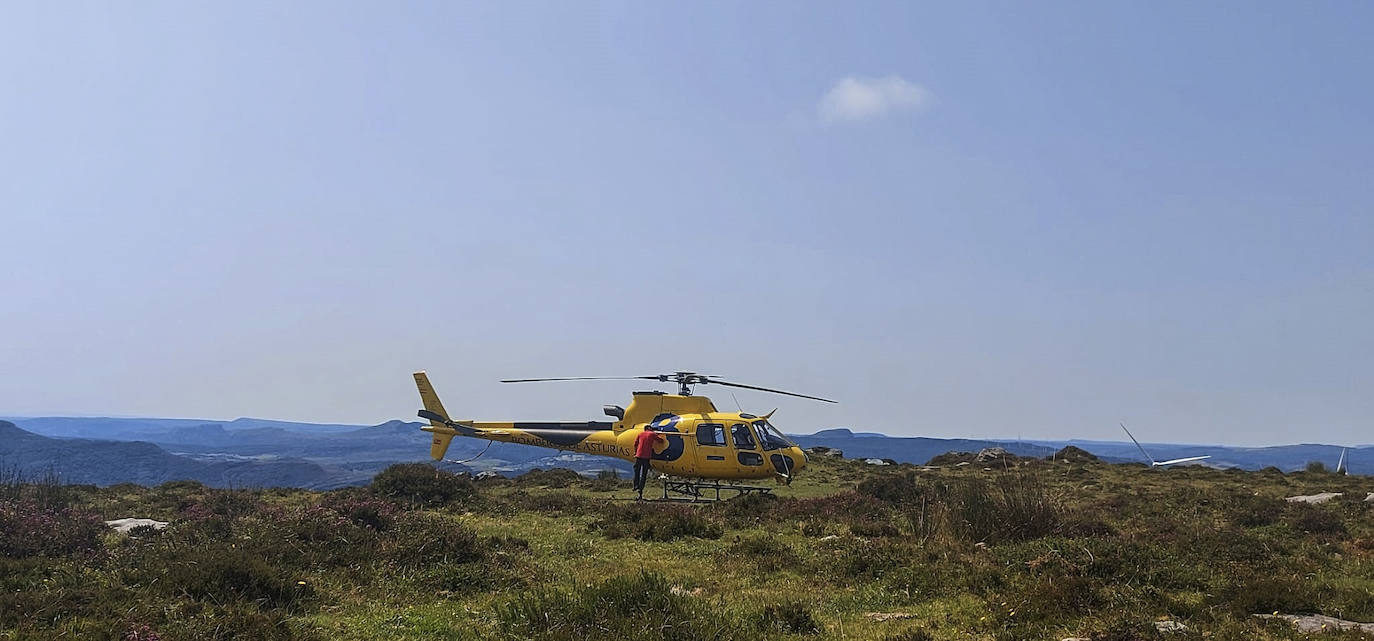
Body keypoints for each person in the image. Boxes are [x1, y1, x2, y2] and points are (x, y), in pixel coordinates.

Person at [632, 425, 664, 499]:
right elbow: (660, 441)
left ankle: (635, 485)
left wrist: (635, 452)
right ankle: (640, 489)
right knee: (644, 474)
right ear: (649, 429)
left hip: (638, 455)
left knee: (637, 471)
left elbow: (635, 444)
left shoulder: (640, 434)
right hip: (646, 456)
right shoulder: (652, 434)